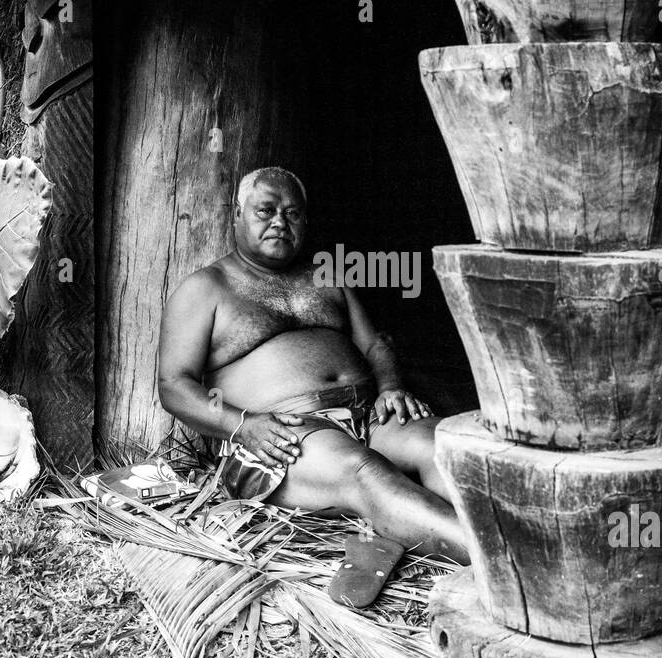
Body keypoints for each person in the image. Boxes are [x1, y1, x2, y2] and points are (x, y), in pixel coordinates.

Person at [157, 166, 470, 567]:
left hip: (370, 415)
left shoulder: (328, 273)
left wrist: (390, 386)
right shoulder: (206, 288)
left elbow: (375, 343)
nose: (279, 222)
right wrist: (244, 425)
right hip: (285, 432)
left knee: (444, 447)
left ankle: (526, 539)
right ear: (237, 216)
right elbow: (173, 385)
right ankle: (503, 567)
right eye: (265, 211)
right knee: (365, 472)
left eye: (292, 213)